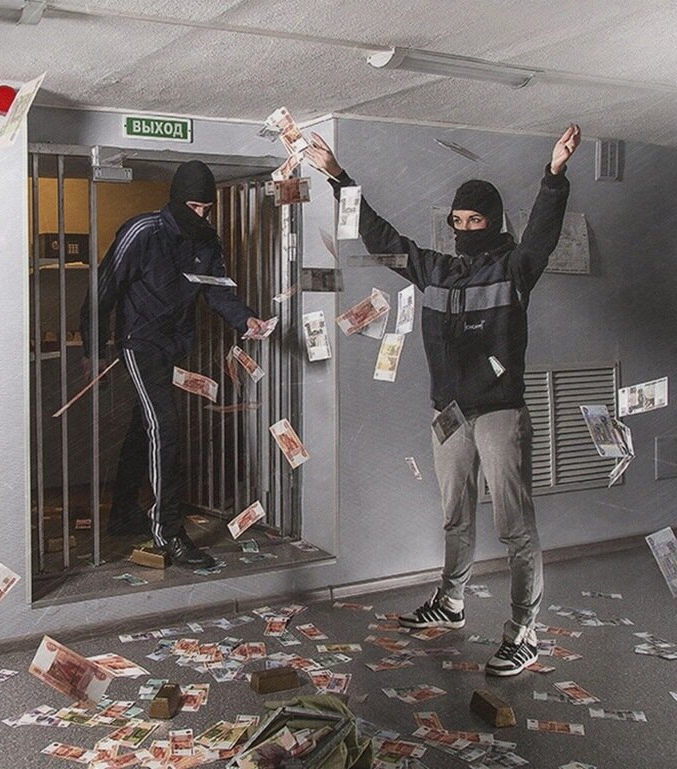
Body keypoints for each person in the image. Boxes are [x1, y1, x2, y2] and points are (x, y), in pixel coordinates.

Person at [306, 125, 581, 676]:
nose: (464, 230)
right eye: (458, 221)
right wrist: (338, 176)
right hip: (449, 414)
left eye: (475, 221)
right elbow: (379, 234)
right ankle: (451, 602)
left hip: (499, 411)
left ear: (493, 223)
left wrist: (554, 175)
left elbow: (543, 234)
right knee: (455, 515)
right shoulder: (434, 270)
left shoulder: (514, 269)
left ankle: (523, 631)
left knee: (514, 526)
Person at [80, 160, 268, 568]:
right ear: (177, 201)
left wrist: (246, 320)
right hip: (138, 342)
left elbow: (217, 291)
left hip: (175, 345)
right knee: (163, 426)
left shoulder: (208, 240)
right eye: (194, 207)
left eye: (207, 208)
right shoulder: (142, 232)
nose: (201, 215)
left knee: (144, 426)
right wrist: (93, 351)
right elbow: (102, 290)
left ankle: (123, 512)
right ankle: (168, 532)